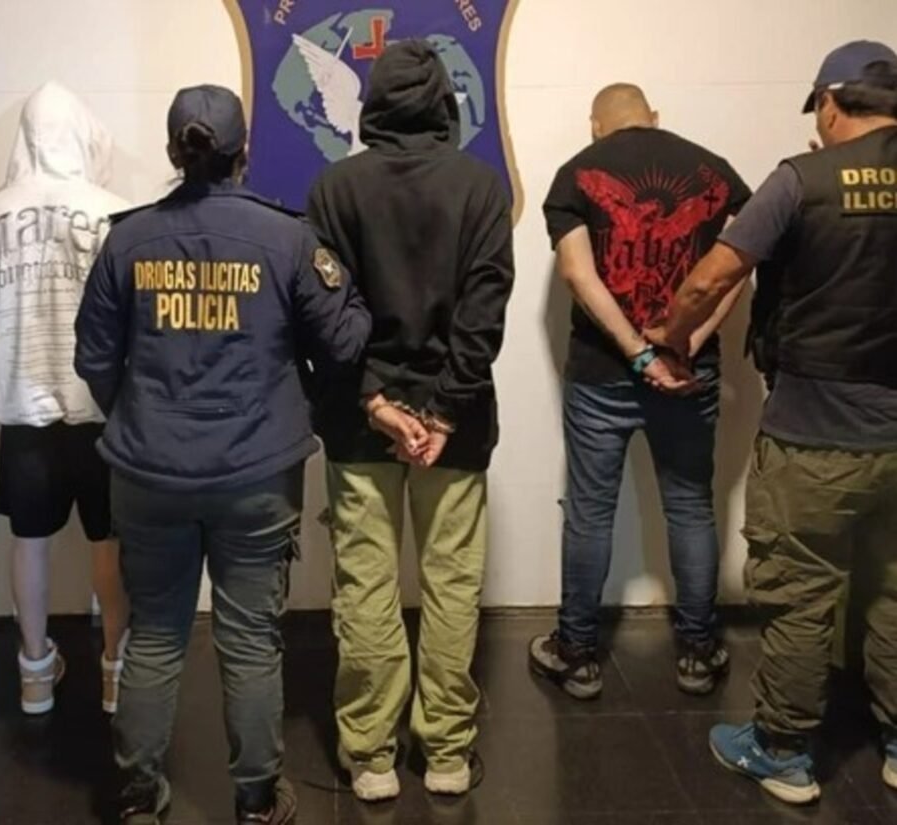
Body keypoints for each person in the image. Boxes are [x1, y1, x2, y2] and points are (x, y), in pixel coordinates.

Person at [75, 85, 371, 825]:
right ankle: (256, 800)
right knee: (250, 641)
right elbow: (344, 343)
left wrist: (138, 414)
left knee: (154, 635)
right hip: (256, 472)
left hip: (149, 472)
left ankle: (138, 798)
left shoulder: (127, 241)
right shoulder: (287, 238)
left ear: (174, 152)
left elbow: (93, 359)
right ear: (246, 152)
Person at [645, 41, 897, 805]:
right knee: (893, 589)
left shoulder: (801, 180)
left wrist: (673, 337)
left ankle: (783, 749)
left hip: (815, 435)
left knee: (799, 592)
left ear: (831, 104)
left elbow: (713, 276)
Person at [307, 40, 515, 801]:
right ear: (444, 106)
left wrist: (377, 402)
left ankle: (371, 754)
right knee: (452, 583)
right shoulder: (481, 186)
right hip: (456, 426)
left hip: (362, 419)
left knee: (366, 584)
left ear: (372, 106)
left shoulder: (336, 187)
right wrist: (444, 411)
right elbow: (484, 314)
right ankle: (447, 751)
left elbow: (328, 315)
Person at [530, 84, 751, 700]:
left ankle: (576, 653)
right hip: (688, 370)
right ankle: (699, 653)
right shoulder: (715, 172)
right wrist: (688, 340)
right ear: (654, 117)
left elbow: (577, 274)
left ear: (596, 126)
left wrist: (638, 353)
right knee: (691, 507)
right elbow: (738, 264)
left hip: (601, 374)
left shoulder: (577, 173)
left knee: (589, 511)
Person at [0, 82, 130, 717]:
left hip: (22, 405)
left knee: (27, 540)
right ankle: (116, 669)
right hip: (103, 406)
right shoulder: (118, 214)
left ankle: (34, 673)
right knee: (110, 540)